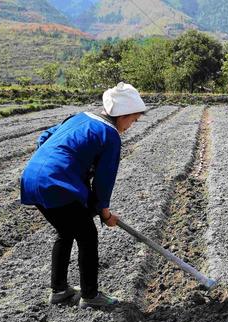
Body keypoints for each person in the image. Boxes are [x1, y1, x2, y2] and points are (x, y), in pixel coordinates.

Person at [20, 82, 147, 307]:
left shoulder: (80, 117)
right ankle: (90, 296)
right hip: (57, 184)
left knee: (66, 232)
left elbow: (45, 138)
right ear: (122, 114)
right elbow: (104, 180)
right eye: (132, 120)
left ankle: (59, 291)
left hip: (31, 178)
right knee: (87, 237)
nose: (131, 125)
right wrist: (105, 213)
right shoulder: (109, 134)